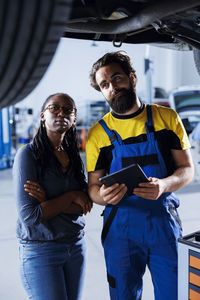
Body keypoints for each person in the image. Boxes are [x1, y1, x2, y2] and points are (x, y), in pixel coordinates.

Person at [86, 51, 194, 300]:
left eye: (117, 78)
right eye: (105, 85)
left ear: (132, 78)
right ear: (102, 92)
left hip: (163, 225)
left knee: (173, 294)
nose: (113, 87)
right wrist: (103, 196)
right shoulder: (97, 134)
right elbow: (92, 188)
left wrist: (164, 185)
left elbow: (187, 170)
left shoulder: (167, 118)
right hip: (120, 229)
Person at [13, 93, 92, 300]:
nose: (61, 113)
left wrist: (46, 201)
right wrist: (72, 196)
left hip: (75, 246)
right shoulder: (28, 155)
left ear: (74, 118)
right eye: (54, 108)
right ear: (42, 116)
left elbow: (85, 205)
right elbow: (30, 216)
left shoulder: (74, 156)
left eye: (68, 110)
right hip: (41, 250)